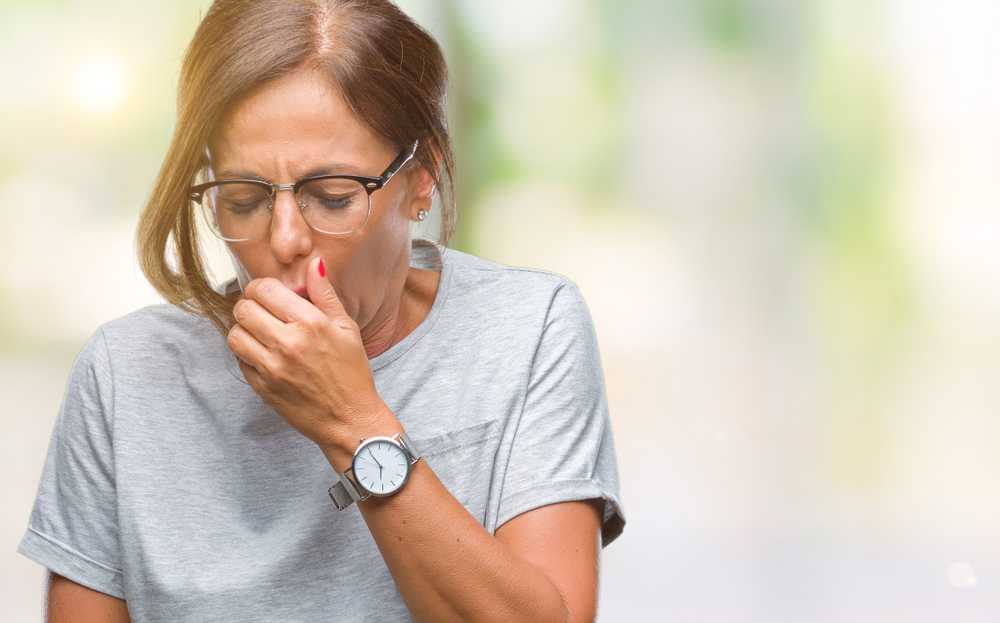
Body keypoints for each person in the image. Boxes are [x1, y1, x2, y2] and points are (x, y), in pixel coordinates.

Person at [18, 0, 625, 621]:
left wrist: (351, 423)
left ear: (421, 180)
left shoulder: (530, 327)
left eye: (332, 198)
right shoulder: (125, 374)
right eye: (243, 198)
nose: (283, 240)